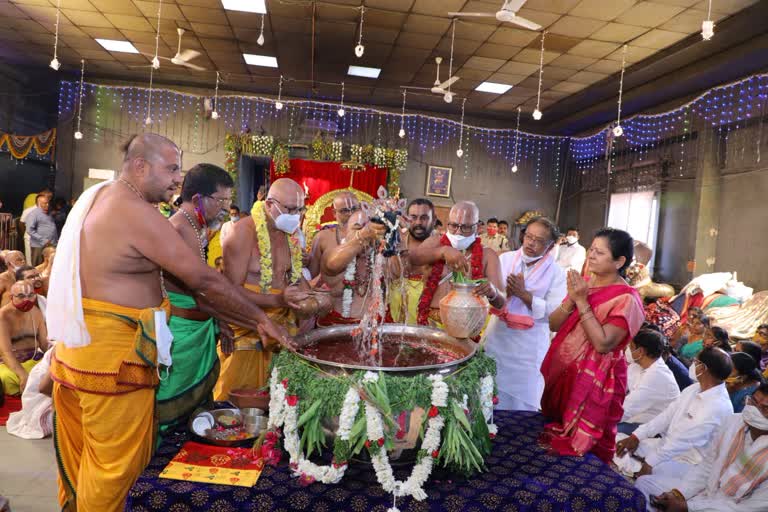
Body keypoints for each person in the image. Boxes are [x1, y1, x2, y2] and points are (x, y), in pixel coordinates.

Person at [48, 134, 289, 512]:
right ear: (140, 166)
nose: (179, 179)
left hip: (77, 356)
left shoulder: (100, 197)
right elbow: (204, 281)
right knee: (114, 471)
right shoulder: (136, 212)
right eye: (172, 168)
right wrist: (261, 320)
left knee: (85, 462)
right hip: (113, 367)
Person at [540, 227, 645, 463]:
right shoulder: (586, 284)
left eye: (600, 252)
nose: (591, 256)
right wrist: (573, 299)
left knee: (587, 457)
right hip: (565, 372)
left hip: (596, 380)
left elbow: (603, 343)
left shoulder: (627, 298)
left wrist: (580, 300)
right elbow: (554, 323)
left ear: (619, 261)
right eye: (591, 250)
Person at [217, 177, 326, 401]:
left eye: (300, 209)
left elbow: (292, 277)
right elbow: (230, 290)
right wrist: (279, 301)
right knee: (238, 399)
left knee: (279, 396)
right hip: (246, 325)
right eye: (290, 209)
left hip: (282, 327)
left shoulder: (291, 234)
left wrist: (313, 298)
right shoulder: (241, 234)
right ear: (269, 205)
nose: (296, 216)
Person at [156, 163, 238, 440]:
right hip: (183, 332)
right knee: (171, 402)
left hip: (198, 329)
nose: (226, 208)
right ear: (197, 199)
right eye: (221, 201)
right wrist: (227, 320)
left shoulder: (195, 227)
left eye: (229, 201)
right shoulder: (180, 227)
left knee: (194, 407)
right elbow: (199, 289)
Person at [617, 347, 734, 503]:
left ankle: (638, 469)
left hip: (687, 462)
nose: (693, 365)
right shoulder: (694, 388)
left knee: (644, 482)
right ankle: (635, 464)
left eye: (695, 362)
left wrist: (650, 461)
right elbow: (666, 416)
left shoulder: (717, 406)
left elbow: (683, 441)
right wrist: (637, 435)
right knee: (619, 441)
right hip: (665, 446)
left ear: (703, 368)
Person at [483, 216, 566, 411]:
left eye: (538, 241)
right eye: (528, 236)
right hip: (499, 337)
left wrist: (525, 296)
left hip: (529, 346)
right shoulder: (505, 259)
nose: (530, 243)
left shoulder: (556, 272)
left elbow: (555, 313)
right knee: (489, 391)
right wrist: (504, 294)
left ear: (551, 245)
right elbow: (490, 295)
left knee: (522, 401)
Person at [650, 383, 768, 512]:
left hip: (727, 508)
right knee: (646, 484)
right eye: (753, 402)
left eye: (765, 408)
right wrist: (679, 494)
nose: (754, 409)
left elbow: (749, 509)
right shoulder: (733, 422)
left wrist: (688, 507)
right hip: (706, 493)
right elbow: (708, 465)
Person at [409, 201, 505, 330]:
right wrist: (442, 251)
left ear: (477, 227)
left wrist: (493, 292)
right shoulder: (435, 243)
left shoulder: (488, 255)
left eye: (465, 227)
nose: (458, 232)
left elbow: (501, 303)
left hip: (468, 329)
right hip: (431, 324)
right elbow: (413, 259)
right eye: (454, 225)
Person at [319, 208, 386, 324]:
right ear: (345, 232)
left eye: (371, 230)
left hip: (374, 328)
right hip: (338, 326)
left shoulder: (380, 257)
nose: (369, 234)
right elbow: (332, 264)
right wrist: (362, 235)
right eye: (358, 228)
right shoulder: (333, 254)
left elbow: (397, 273)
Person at [619, 328, 680, 434]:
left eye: (631, 347)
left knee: (605, 433)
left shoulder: (657, 376)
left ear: (641, 351)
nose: (627, 349)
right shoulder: (636, 365)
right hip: (637, 416)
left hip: (654, 427)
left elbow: (627, 409)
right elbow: (620, 389)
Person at [389, 198, 437, 324]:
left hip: (426, 324)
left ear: (434, 220)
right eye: (413, 217)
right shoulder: (395, 242)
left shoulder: (442, 247)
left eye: (424, 218)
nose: (418, 222)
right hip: (392, 321)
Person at [0, 281, 47, 396]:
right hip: (11, 365)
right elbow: (6, 352)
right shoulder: (3, 316)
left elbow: (44, 344)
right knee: (5, 378)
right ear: (11, 297)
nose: (27, 300)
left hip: (35, 360)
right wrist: (22, 375)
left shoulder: (36, 312)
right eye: (21, 296)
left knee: (54, 369)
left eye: (31, 295)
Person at [308, 191, 361, 280]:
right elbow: (311, 274)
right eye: (344, 210)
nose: (350, 213)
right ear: (334, 213)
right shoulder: (322, 237)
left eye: (354, 209)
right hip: (330, 292)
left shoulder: (369, 236)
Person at [25, 193, 58, 266]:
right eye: (45, 203)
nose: (48, 205)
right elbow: (30, 230)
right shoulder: (33, 214)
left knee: (49, 266)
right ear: (39, 203)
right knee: (38, 266)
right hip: (38, 246)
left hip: (51, 244)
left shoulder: (49, 214)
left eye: (48, 203)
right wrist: (43, 240)